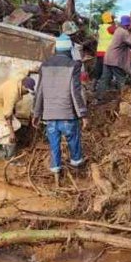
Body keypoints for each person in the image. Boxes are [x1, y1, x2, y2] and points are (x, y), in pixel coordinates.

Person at [32, 34, 88, 180]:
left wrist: (36, 114)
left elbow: (40, 92)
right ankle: (77, 175)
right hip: (67, 115)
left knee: (54, 146)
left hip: (50, 116)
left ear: (56, 49)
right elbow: (75, 92)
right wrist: (83, 114)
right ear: (70, 49)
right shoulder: (74, 65)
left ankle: (57, 176)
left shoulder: (44, 65)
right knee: (74, 144)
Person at [98, 15, 131, 99]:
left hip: (108, 58)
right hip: (115, 60)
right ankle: (124, 97)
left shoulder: (118, 30)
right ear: (127, 24)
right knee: (121, 79)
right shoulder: (123, 32)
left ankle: (99, 97)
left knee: (105, 79)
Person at [0, 76, 36, 160]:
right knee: (15, 125)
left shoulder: (18, 81)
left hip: (0, 106)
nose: (27, 93)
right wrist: (12, 132)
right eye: (27, 91)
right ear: (23, 86)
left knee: (5, 131)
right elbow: (7, 114)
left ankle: (4, 157)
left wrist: (32, 69)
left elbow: (22, 72)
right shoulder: (13, 93)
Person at [94, 12, 115, 81]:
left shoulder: (101, 27)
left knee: (99, 69)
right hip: (108, 52)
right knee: (107, 70)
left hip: (99, 52)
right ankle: (106, 85)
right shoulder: (110, 28)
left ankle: (94, 84)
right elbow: (119, 32)